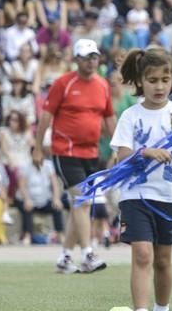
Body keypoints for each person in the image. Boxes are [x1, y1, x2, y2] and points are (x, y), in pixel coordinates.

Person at [109, 48, 172, 311]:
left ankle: (162, 308)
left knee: (163, 260)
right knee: (142, 255)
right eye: (152, 80)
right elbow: (122, 158)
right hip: (135, 197)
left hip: (170, 196)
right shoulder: (131, 116)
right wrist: (146, 152)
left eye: (165, 79)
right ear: (140, 81)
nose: (159, 86)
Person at [34, 38, 116, 274]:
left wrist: (120, 148)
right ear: (77, 59)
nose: (90, 62)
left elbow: (109, 119)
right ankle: (88, 253)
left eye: (94, 57)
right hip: (65, 151)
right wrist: (38, 147)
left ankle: (65, 256)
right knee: (82, 201)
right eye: (85, 57)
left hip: (91, 153)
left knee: (78, 205)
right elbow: (46, 117)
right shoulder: (64, 83)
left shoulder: (102, 85)